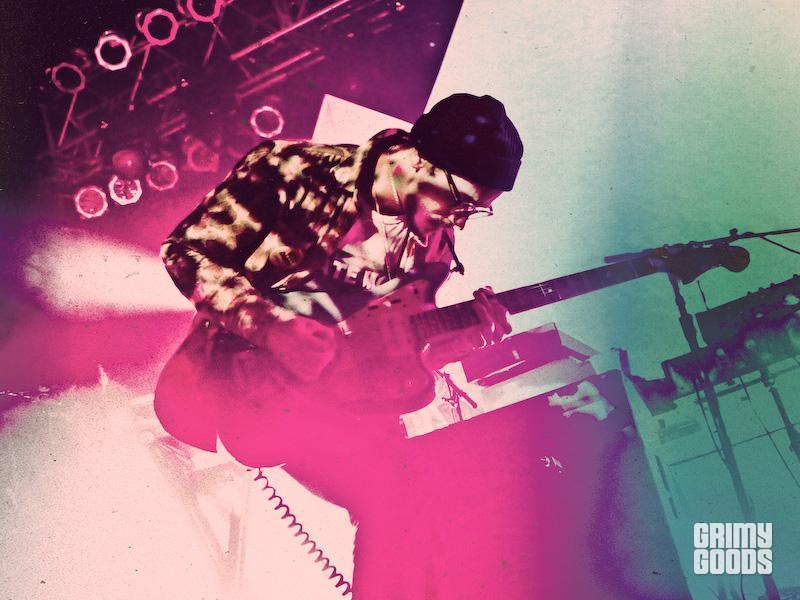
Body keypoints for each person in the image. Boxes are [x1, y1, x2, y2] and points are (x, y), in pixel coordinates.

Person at [155, 93, 524, 598]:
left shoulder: (435, 244)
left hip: (346, 402)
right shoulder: (294, 169)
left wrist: (451, 345)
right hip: (242, 382)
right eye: (460, 202)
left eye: (475, 212)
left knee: (421, 496)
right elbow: (187, 250)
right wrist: (271, 326)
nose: (459, 221)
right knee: (399, 496)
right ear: (418, 160)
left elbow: (396, 346)